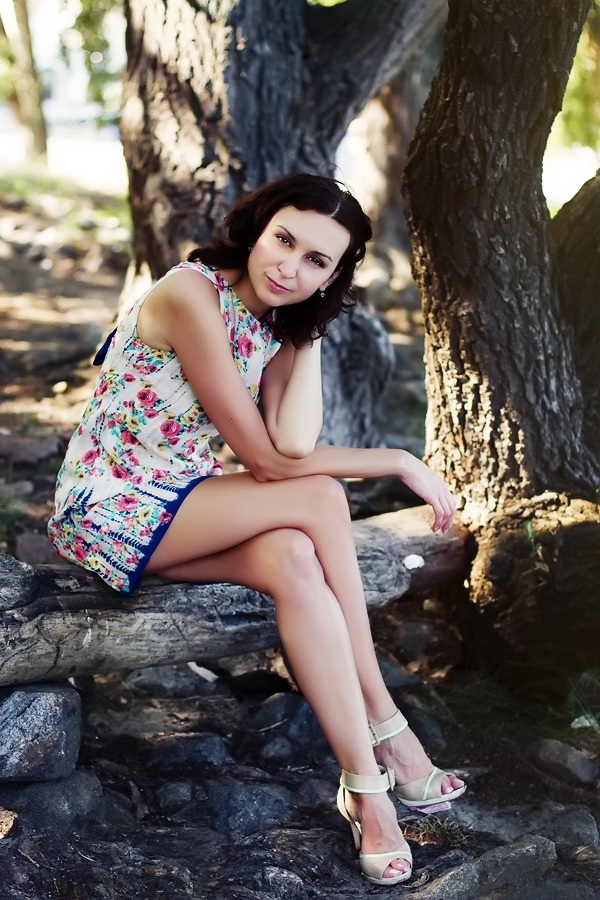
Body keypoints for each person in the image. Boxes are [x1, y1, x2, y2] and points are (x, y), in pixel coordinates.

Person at [48, 173, 465, 886]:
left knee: (296, 558)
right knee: (321, 498)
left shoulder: (272, 326)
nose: (289, 267)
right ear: (257, 228)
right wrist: (398, 460)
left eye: (317, 262)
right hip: (109, 506)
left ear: (334, 277)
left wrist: (310, 330)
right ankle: (388, 726)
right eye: (284, 240)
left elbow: (292, 442)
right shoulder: (190, 294)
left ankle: (365, 787)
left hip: (181, 504)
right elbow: (269, 465)